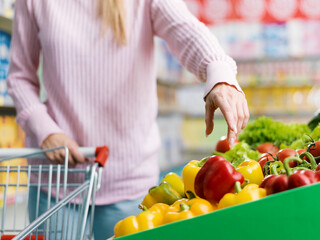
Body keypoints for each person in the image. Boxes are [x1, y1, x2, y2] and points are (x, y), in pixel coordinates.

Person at [7, 0, 249, 239]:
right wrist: (45, 130)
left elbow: (186, 30)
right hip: (56, 184)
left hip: (130, 183)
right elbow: (20, 77)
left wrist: (219, 75)